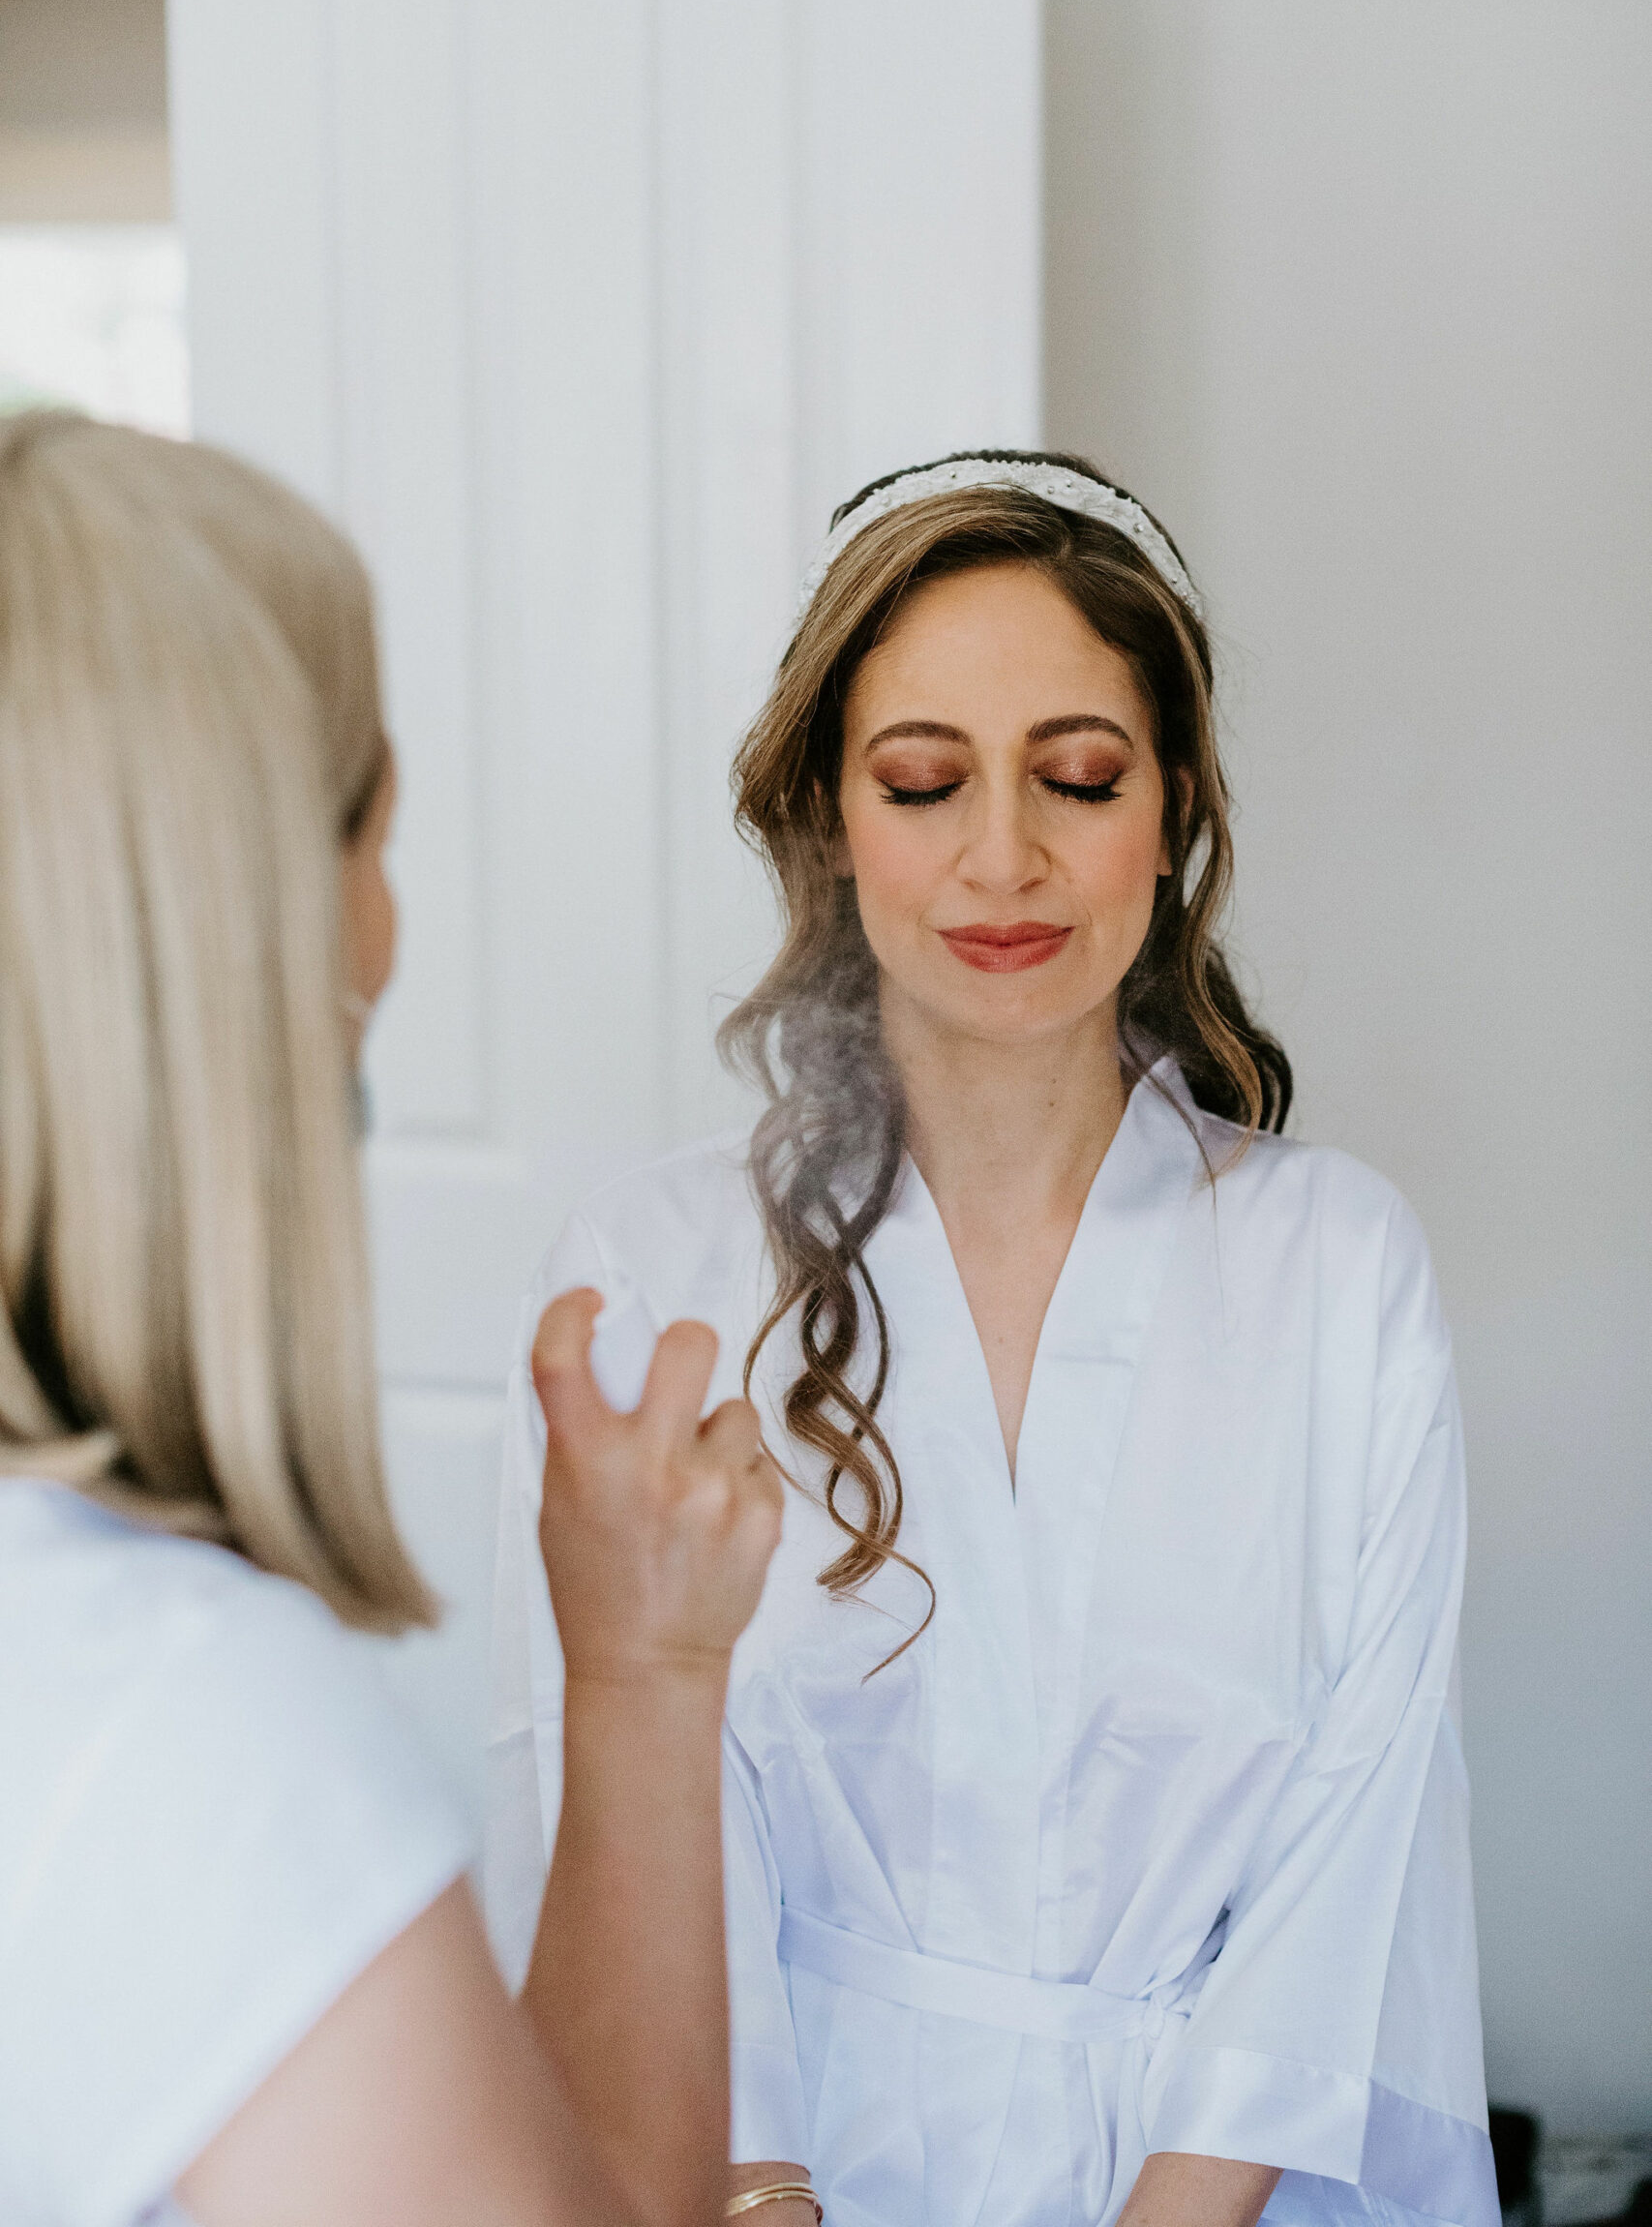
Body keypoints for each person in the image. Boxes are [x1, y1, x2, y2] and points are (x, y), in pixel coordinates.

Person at [486, 452, 1496, 2227]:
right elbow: (611, 1798)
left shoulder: (1336, 1269)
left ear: (1171, 807)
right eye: (925, 781)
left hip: (1221, 2190)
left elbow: (1360, 1827)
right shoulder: (657, 1276)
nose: (1004, 858)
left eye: (1079, 777)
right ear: (829, 816)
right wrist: (761, 2190)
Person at [0, 409, 783, 2227]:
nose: (392, 935)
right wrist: (653, 1680)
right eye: (380, 833)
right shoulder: (173, 1732)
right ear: (248, 925)